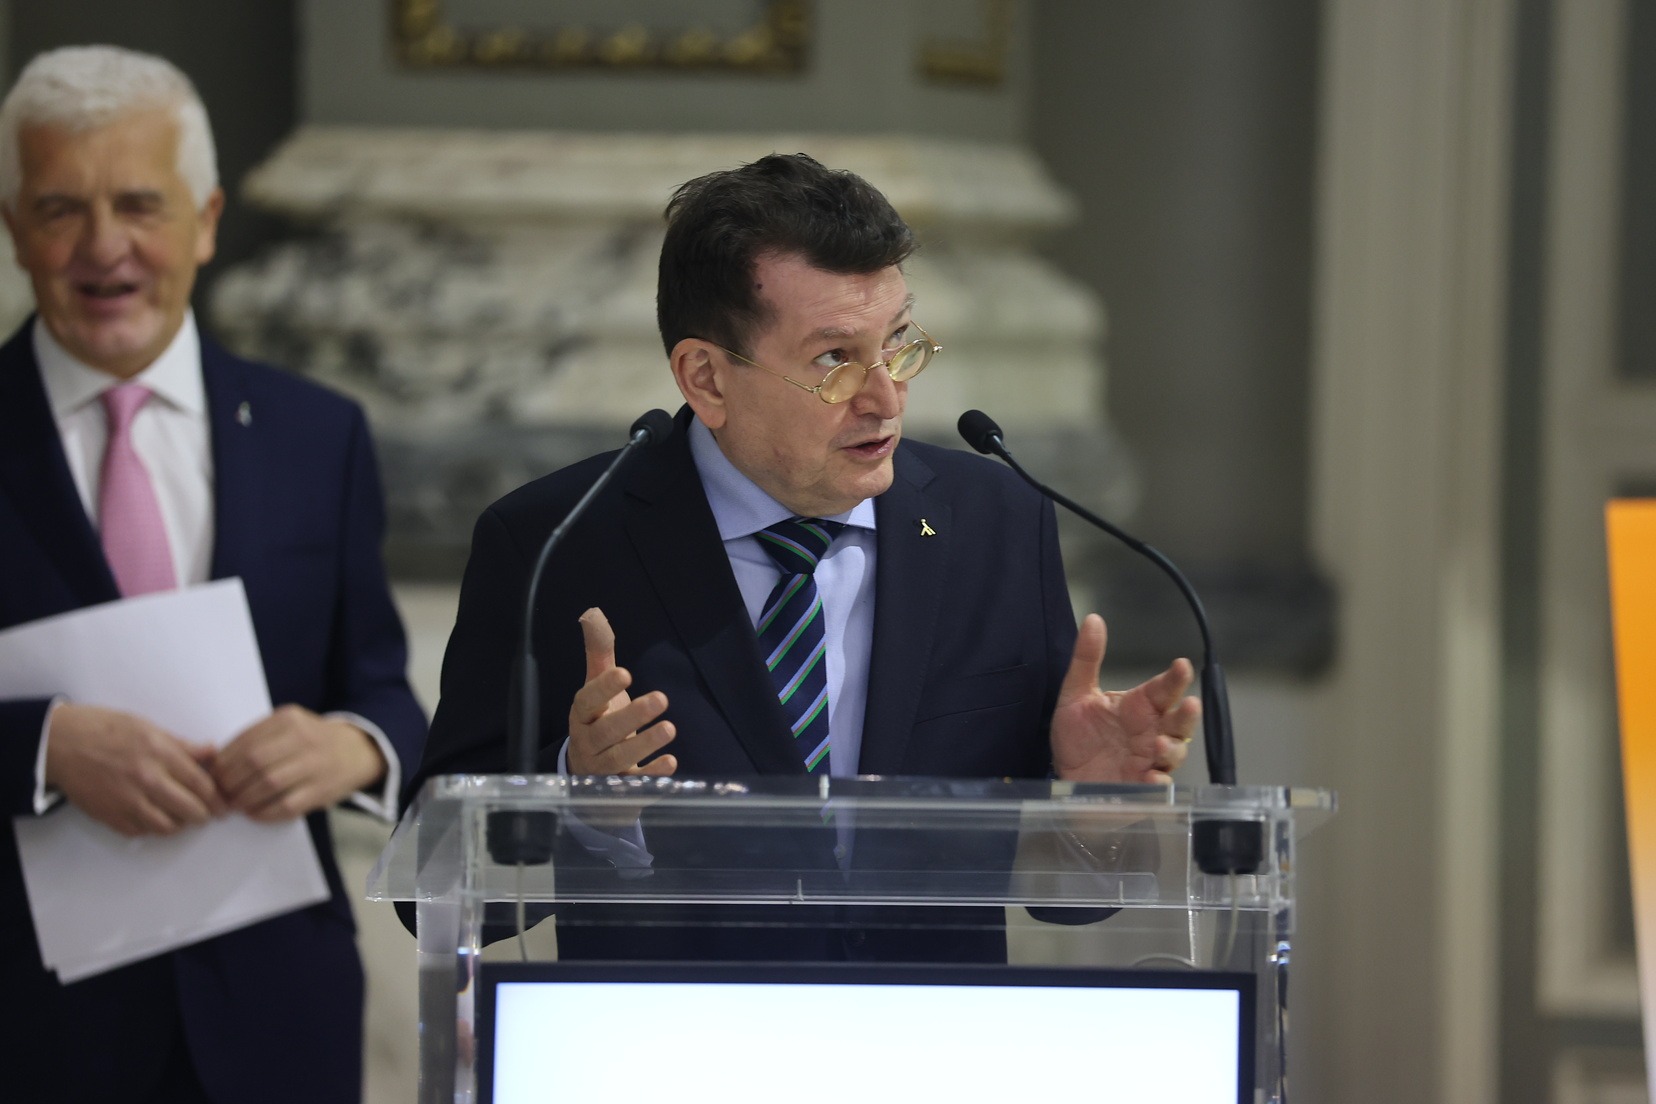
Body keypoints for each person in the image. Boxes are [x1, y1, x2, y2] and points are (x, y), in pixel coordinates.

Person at [407, 152, 1196, 959]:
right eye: (833, 360)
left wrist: (1092, 817)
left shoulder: (994, 523)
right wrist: (576, 800)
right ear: (706, 378)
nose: (885, 398)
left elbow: (1064, 900)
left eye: (897, 343)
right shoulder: (558, 541)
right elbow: (430, 885)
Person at [0, 46, 425, 1104]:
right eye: (60, 209)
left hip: (274, 1021)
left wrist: (351, 747)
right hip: (29, 1024)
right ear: (13, 227)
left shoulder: (318, 435)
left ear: (206, 220)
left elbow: (381, 690)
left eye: (140, 204)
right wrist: (44, 746)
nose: (105, 247)